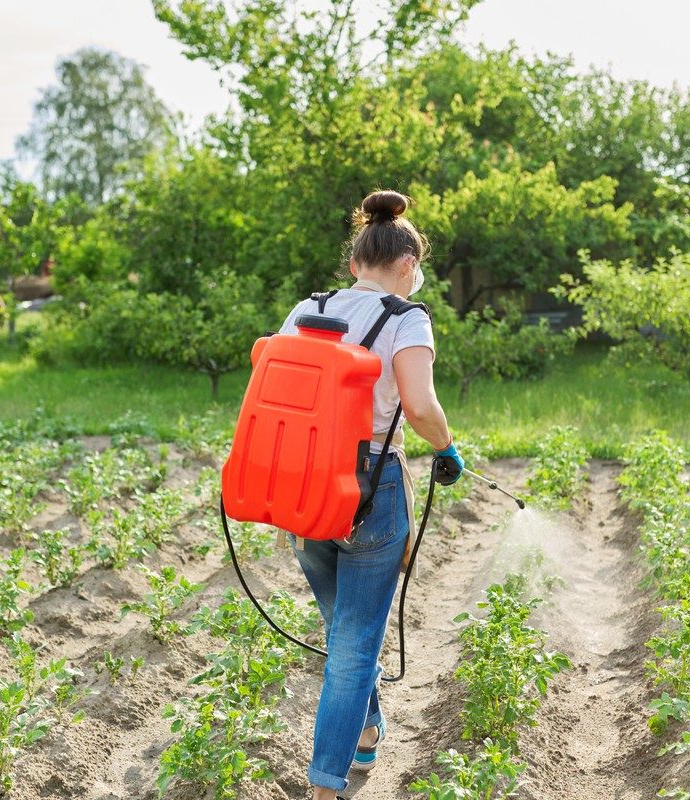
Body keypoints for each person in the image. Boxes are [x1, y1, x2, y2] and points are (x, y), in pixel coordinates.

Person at [276, 189, 465, 800]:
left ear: (356, 262)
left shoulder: (308, 309)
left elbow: (276, 386)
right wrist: (445, 449)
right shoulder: (407, 317)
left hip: (303, 486)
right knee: (355, 648)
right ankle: (326, 788)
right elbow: (419, 404)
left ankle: (367, 731)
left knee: (345, 632)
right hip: (368, 492)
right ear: (407, 265)